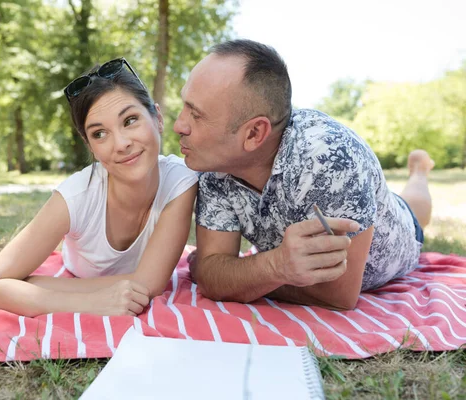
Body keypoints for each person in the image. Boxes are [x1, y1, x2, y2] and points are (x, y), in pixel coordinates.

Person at [174, 39, 434, 310]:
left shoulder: (332, 160)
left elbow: (337, 297)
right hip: (347, 210)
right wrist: (272, 267)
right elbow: (212, 274)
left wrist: (261, 271)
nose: (178, 125)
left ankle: (420, 171)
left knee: (415, 211)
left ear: (254, 133)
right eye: (185, 107)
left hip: (401, 235)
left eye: (197, 116)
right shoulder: (212, 163)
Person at [0, 58, 198, 317]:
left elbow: (149, 285)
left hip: (73, 283)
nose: (121, 144)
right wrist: (90, 302)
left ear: (157, 118)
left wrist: (39, 286)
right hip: (77, 273)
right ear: (90, 145)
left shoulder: (181, 181)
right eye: (100, 134)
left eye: (130, 120)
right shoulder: (75, 197)